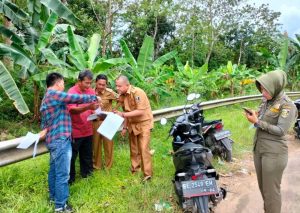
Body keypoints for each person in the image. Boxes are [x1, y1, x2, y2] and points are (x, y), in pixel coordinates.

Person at [40, 72, 98, 212]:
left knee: (54, 171)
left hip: (53, 139)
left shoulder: (46, 98)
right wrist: (93, 97)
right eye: (63, 84)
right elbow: (72, 97)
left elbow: (44, 122)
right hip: (60, 140)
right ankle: (61, 206)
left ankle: (54, 197)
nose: (63, 86)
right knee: (63, 174)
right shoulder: (54, 94)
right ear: (58, 83)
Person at [244, 70, 297, 213]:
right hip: (259, 149)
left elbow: (281, 130)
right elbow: (261, 117)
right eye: (261, 89)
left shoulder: (287, 105)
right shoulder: (267, 101)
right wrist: (255, 115)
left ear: (276, 86)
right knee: (263, 189)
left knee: (271, 193)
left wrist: (257, 122)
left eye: (265, 90)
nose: (263, 93)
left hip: (274, 154)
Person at [114, 75, 153, 182]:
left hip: (143, 123)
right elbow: (127, 113)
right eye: (116, 86)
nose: (117, 88)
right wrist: (125, 127)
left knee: (144, 149)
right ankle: (135, 170)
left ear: (127, 85)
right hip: (132, 124)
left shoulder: (137, 93)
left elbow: (141, 111)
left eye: (119, 86)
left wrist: (122, 114)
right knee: (134, 149)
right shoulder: (122, 96)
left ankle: (147, 174)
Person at [67, 70, 99, 184]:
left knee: (87, 155)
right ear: (79, 81)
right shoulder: (72, 92)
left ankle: (87, 176)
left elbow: (93, 107)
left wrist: (97, 111)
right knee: (72, 157)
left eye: (90, 83)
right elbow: (72, 109)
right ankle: (70, 179)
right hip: (75, 130)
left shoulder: (90, 91)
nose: (88, 85)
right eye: (86, 83)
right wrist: (87, 107)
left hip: (88, 128)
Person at [93, 74, 118, 169]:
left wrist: (115, 109)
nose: (101, 86)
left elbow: (121, 99)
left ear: (106, 84)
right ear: (96, 83)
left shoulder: (110, 92)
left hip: (108, 121)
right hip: (95, 121)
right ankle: (96, 166)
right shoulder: (91, 93)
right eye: (99, 84)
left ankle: (108, 166)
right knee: (95, 145)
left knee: (108, 145)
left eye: (103, 85)